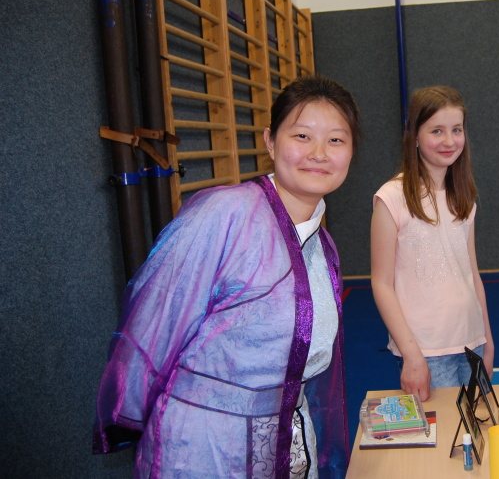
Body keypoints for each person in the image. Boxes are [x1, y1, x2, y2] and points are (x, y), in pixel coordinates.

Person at [93, 76, 361, 479]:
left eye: (336, 140)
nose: (319, 153)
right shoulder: (222, 214)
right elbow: (152, 327)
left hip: (285, 440)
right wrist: (126, 416)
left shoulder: (323, 246)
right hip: (203, 448)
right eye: (302, 136)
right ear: (271, 141)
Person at [370, 86, 494, 402]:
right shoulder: (392, 197)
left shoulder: (463, 197)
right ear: (415, 135)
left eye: (457, 129)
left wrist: (487, 340)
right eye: (436, 131)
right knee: (440, 430)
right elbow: (381, 283)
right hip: (426, 350)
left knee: (476, 424)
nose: (449, 140)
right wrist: (411, 355)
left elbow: (472, 274)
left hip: (472, 342)